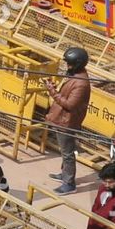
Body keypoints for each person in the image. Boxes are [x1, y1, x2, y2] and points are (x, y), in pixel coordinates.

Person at [45, 48, 92, 194]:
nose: (68, 67)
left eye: (70, 64)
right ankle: (64, 174)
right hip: (62, 119)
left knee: (68, 153)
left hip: (67, 122)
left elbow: (70, 105)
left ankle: (69, 183)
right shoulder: (75, 76)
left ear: (77, 64)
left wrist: (52, 92)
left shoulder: (81, 83)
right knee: (65, 150)